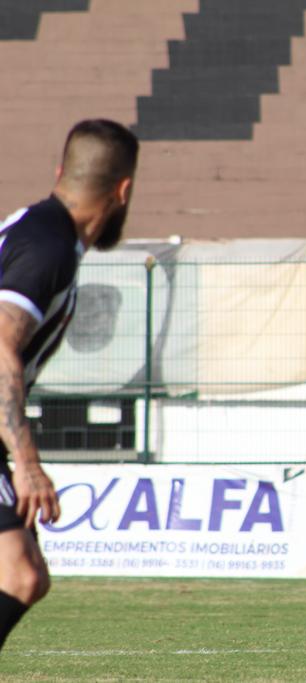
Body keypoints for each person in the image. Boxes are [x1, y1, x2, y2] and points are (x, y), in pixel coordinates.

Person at [0, 119, 138, 651]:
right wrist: (27, 464)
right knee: (18, 576)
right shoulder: (50, 246)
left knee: (25, 575)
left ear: (61, 172)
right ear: (123, 191)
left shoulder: (38, 227)